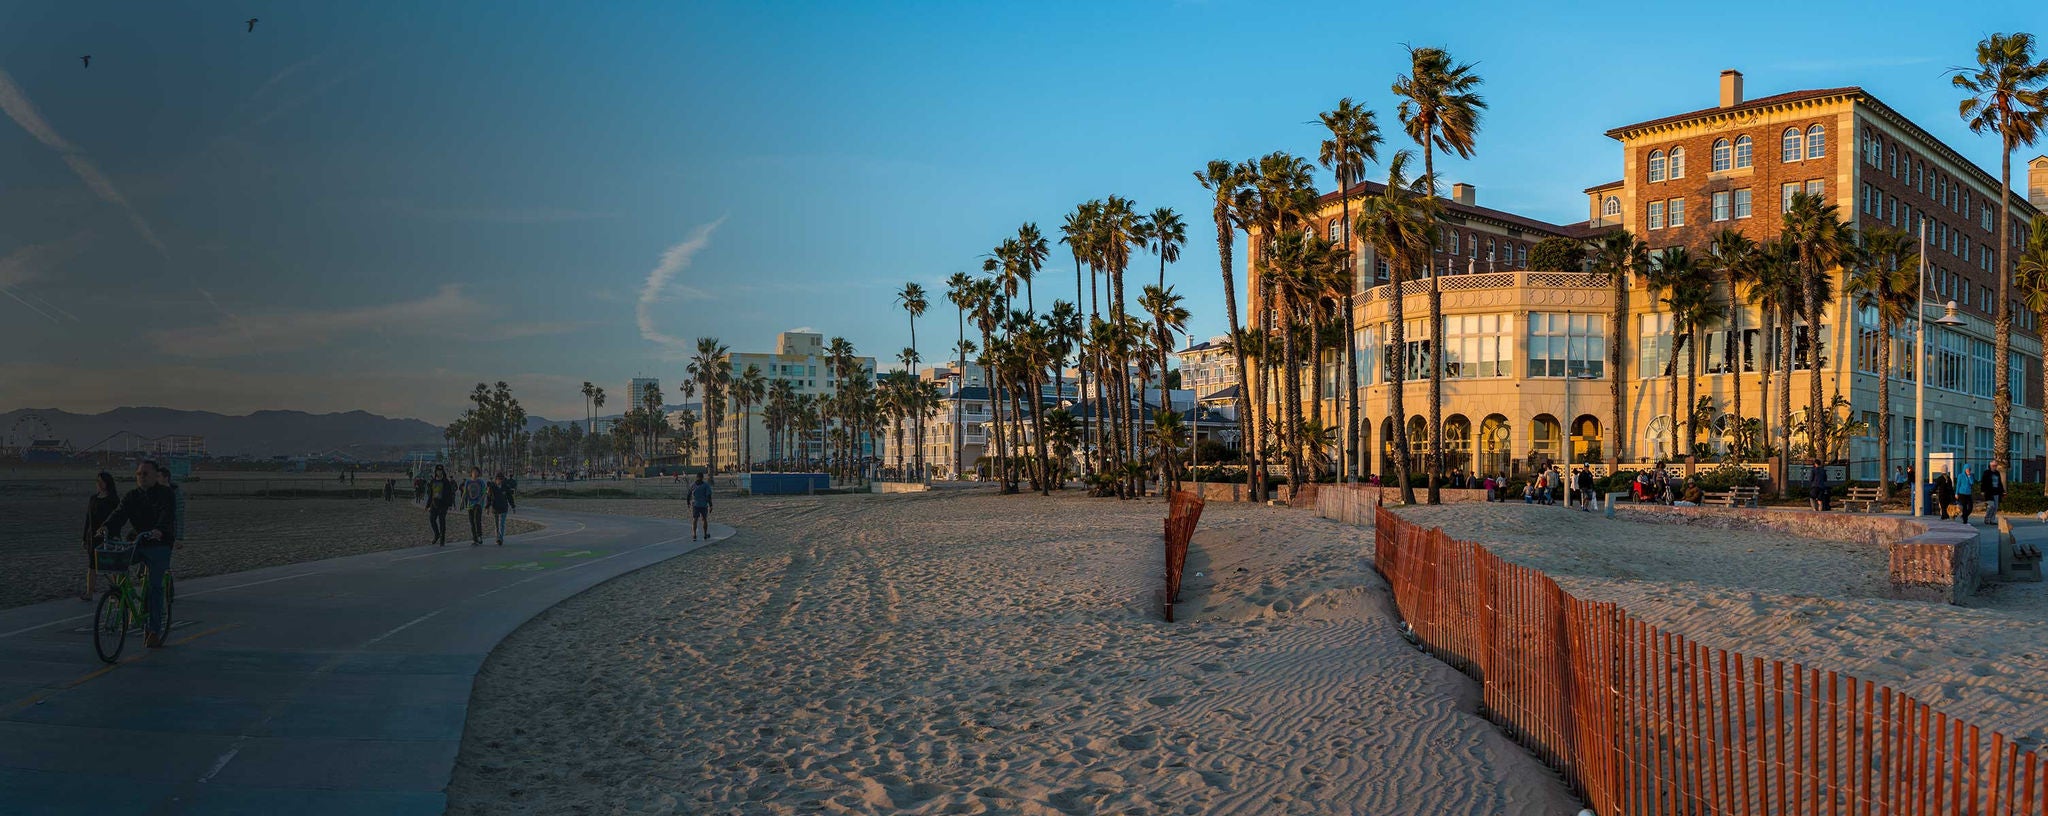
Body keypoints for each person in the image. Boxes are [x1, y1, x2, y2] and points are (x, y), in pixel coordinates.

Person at [98, 460, 177, 648]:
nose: (141, 477)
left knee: (155, 587)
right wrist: (106, 527)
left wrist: (159, 530)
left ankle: (154, 631)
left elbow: (167, 515)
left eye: (146, 473)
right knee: (119, 564)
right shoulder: (132, 496)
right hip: (138, 541)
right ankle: (123, 599)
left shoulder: (166, 494)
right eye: (139, 474)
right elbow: (120, 513)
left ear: (156, 475)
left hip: (160, 543)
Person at [81, 471, 120, 600]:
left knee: (112, 566)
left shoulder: (113, 499)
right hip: (92, 537)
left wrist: (115, 536)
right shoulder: (93, 498)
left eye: (100, 481)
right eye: (97, 481)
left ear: (107, 483)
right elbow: (88, 519)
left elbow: (117, 519)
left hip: (108, 537)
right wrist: (84, 538)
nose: (98, 483)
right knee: (92, 566)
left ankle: (116, 590)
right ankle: (89, 593)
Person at [426, 465, 455, 545]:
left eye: (441, 471)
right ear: (435, 472)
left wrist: (450, 504)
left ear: (443, 471)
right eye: (438, 471)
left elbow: (450, 494)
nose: (439, 472)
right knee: (432, 520)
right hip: (433, 504)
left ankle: (442, 539)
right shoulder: (433, 481)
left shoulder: (446, 482)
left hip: (443, 505)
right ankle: (437, 534)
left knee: (442, 522)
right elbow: (430, 494)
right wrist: (427, 505)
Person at [486, 473, 513, 545]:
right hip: (495, 508)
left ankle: (500, 539)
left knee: (502, 523)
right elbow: (488, 498)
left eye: (501, 479)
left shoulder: (506, 487)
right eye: (498, 479)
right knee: (496, 524)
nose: (500, 481)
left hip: (504, 508)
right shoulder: (492, 487)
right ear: (496, 479)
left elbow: (510, 497)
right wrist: (487, 507)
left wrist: (513, 506)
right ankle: (497, 537)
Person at [462, 467, 487, 546]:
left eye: (476, 472)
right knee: (472, 522)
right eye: (473, 472)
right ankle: (474, 539)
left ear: (478, 473)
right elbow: (465, 492)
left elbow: (484, 492)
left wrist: (480, 501)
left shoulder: (481, 482)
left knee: (477, 519)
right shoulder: (468, 482)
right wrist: (462, 501)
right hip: (470, 505)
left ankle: (479, 536)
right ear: (471, 473)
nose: (475, 473)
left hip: (478, 504)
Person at [690, 473, 713, 541]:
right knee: (704, 519)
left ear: (696, 477)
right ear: (702, 477)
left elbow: (688, 494)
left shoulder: (693, 485)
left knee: (695, 519)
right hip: (703, 505)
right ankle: (705, 534)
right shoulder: (706, 485)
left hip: (695, 504)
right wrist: (711, 505)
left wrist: (688, 502)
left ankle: (694, 535)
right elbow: (708, 496)